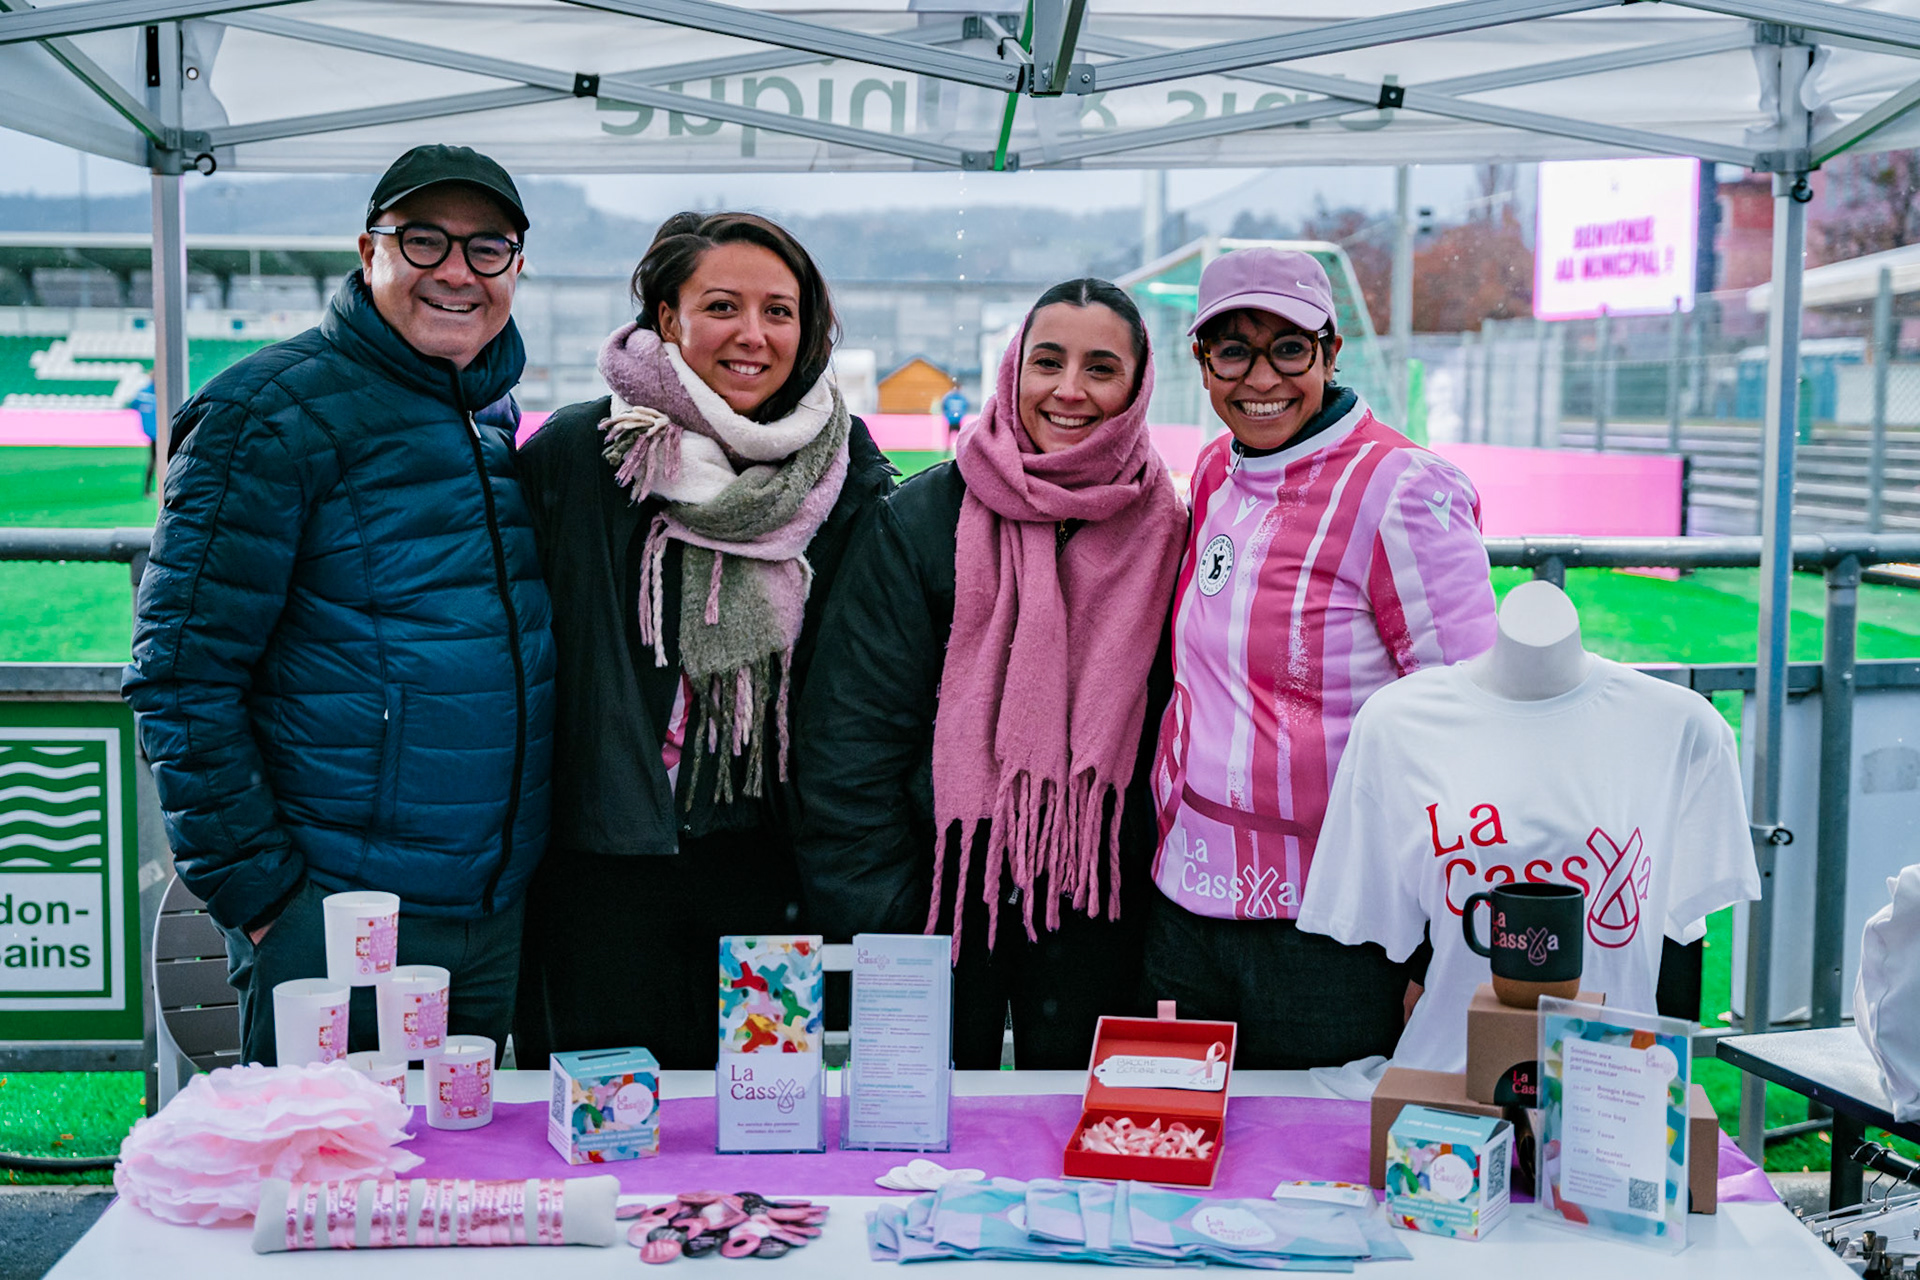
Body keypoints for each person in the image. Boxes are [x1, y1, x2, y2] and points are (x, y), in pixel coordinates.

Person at [123, 144, 555, 1065]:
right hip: (337, 915)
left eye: (487, 248)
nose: (457, 271)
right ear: (369, 252)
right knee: (327, 1159)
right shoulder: (264, 414)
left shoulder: (488, 415)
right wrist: (266, 900)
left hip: (487, 911)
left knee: (462, 1159)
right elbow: (180, 676)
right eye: (425, 240)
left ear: (516, 267)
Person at [512, 211, 895, 1069]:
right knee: (609, 1122)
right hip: (603, 868)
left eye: (779, 311)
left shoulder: (844, 471)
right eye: (722, 306)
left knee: (763, 1109)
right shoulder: (585, 453)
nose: (753, 335)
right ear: (667, 317)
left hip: (771, 865)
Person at [796, 279, 1186, 1070]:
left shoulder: (1174, 533)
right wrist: (894, 917)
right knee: (923, 1136)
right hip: (938, 903)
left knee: (1079, 1136)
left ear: (1138, 386)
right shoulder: (921, 520)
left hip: (1099, 908)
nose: (1069, 389)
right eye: (1048, 361)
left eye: (1101, 368)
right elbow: (850, 739)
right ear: (1014, 369)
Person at [1142, 247, 1497, 1068]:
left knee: (1314, 1146)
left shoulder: (1404, 488)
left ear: (1331, 353)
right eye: (1235, 351)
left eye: (1289, 348)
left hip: (1333, 928)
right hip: (1183, 908)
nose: (1261, 377)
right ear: (1203, 361)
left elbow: (1472, 727)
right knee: (1177, 1134)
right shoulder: (1216, 470)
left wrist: (1438, 953)